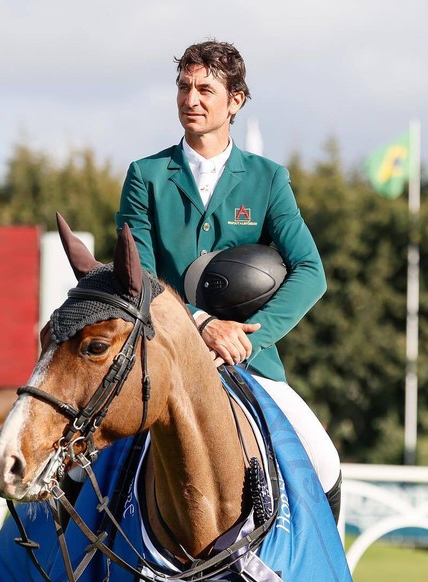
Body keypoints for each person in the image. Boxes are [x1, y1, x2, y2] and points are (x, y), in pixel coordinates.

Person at [116, 39, 342, 518]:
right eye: (183, 87)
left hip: (251, 360)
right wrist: (199, 323)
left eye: (205, 89)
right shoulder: (146, 175)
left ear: (234, 100)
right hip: (163, 355)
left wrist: (247, 338)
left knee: (324, 463)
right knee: (81, 469)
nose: (190, 99)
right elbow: (139, 276)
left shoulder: (269, 178)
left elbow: (311, 272)